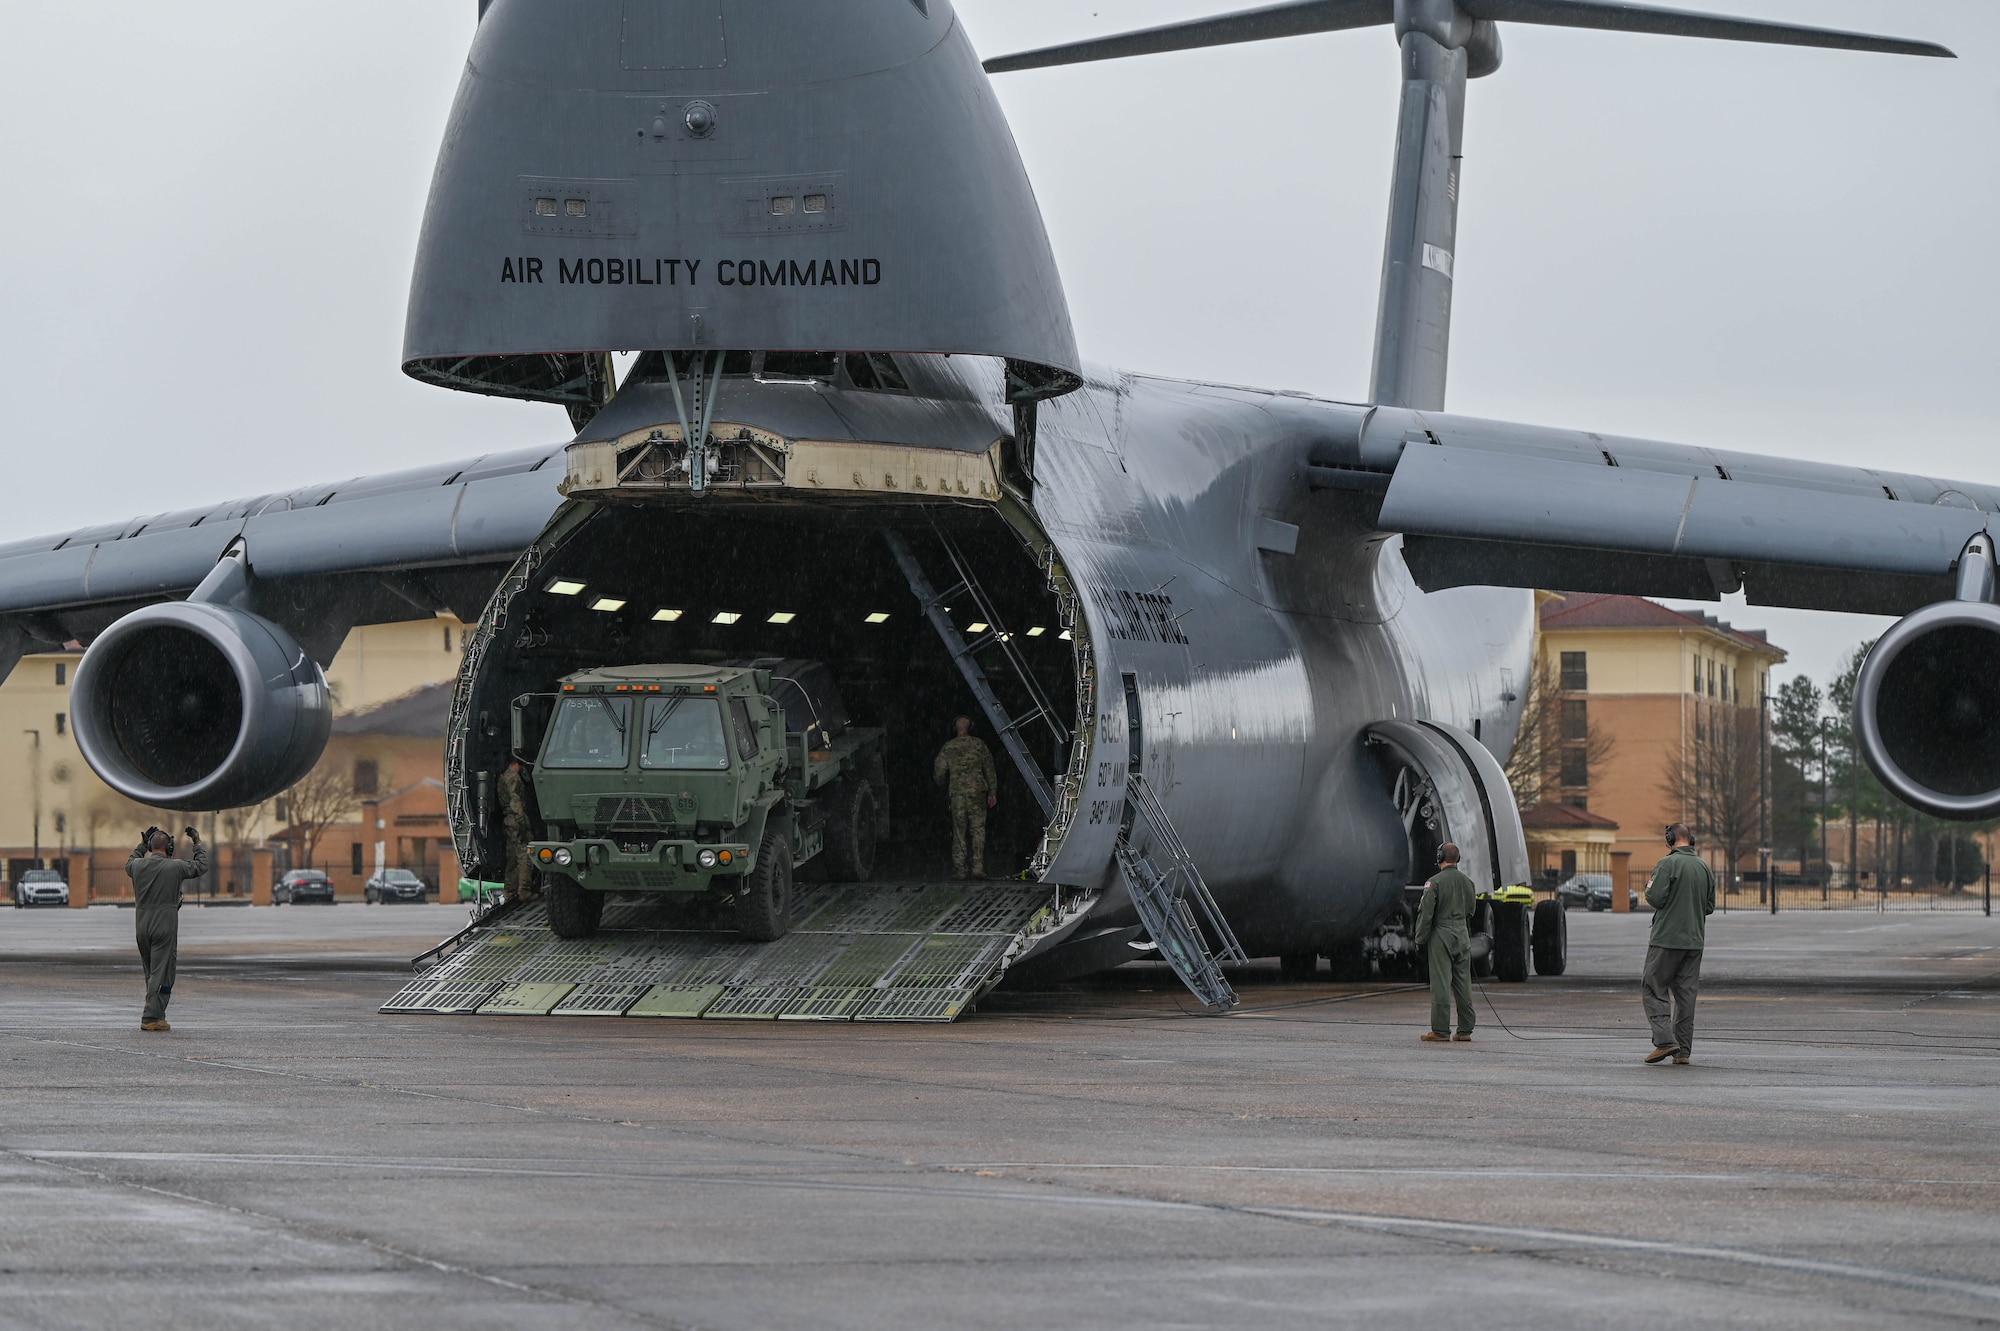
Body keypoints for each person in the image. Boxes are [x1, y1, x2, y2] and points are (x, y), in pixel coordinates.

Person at [1643, 822, 1715, 1065]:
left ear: (1670, 838)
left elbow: (1654, 897)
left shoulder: (1667, 864)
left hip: (1666, 939)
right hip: (1694, 941)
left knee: (1653, 986)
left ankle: (1665, 1041)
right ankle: (1683, 1051)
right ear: (1690, 839)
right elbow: (1709, 907)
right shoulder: (1704, 867)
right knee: (1685, 995)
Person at [125, 825, 207, 1032]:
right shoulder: (175, 867)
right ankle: (150, 1017)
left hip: (142, 925)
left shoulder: (137, 866)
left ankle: (158, 1015)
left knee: (152, 973)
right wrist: (197, 842)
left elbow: (129, 863)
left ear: (152, 846)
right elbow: (201, 865)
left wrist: (142, 845)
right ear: (169, 848)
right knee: (163, 972)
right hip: (164, 924)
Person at [1415, 842, 1476, 1043]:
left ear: (1440, 857)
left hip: (1441, 934)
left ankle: (1440, 1030)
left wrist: (1420, 939)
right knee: (1463, 982)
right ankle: (1465, 1029)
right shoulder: (1468, 882)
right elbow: (1471, 911)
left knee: (1441, 983)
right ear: (1457, 859)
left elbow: (1426, 914)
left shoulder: (1434, 882)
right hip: (1462, 933)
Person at [932, 716, 998, 879]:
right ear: (969, 727)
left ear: (956, 727)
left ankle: (960, 869)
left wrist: (941, 783)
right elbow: (989, 768)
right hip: (977, 793)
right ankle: (977, 867)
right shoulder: (978, 744)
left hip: (958, 794)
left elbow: (939, 771)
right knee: (978, 830)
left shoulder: (949, 747)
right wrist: (992, 792)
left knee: (959, 831)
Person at [498, 758, 538, 903]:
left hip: (508, 820)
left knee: (512, 858)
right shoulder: (514, 777)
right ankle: (524, 891)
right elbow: (516, 802)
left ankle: (509, 891)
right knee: (525, 855)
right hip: (516, 820)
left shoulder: (503, 776)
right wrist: (522, 822)